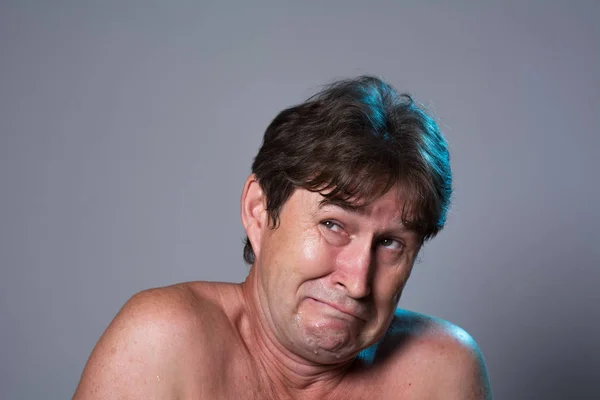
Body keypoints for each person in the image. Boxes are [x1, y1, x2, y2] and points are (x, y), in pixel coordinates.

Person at [74, 76, 491, 399]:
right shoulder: (162, 340)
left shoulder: (442, 372)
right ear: (259, 210)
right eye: (333, 225)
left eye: (389, 243)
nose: (358, 281)